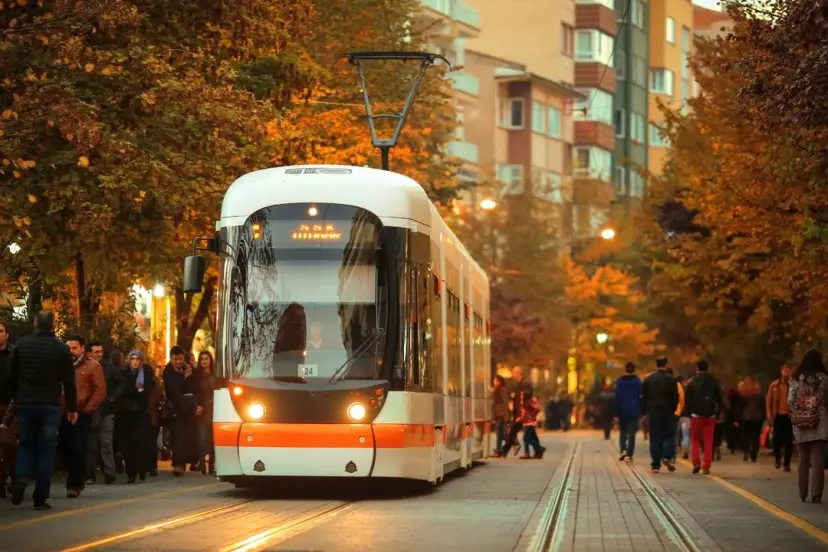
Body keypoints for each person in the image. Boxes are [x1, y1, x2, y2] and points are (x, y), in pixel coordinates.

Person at [6, 310, 77, 510]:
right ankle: (40, 496)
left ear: (35, 325)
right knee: (46, 448)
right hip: (50, 404)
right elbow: (69, 381)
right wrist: (72, 408)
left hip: (26, 402)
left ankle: (20, 478)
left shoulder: (22, 345)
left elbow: (11, 375)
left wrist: (16, 396)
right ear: (52, 326)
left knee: (27, 443)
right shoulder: (61, 349)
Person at [64, 334, 106, 498]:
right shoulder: (63, 365)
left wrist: (88, 408)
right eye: (68, 348)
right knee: (67, 447)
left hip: (82, 413)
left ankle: (74, 483)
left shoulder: (92, 366)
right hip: (64, 412)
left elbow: (100, 390)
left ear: (82, 349)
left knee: (78, 447)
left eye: (74, 348)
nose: (71, 351)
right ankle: (74, 476)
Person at [787, 349, 828, 503]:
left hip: (801, 422)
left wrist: (797, 411)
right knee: (818, 459)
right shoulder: (824, 379)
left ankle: (802, 493)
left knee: (803, 458)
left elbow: (790, 401)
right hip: (820, 423)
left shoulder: (796, 378)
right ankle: (816, 494)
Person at [121, 351, 156, 483]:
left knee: (141, 442)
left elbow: (146, 390)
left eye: (137, 359)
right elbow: (125, 389)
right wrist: (136, 391)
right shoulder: (124, 373)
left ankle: (141, 469)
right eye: (133, 359)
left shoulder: (146, 372)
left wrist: (135, 391)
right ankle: (131, 472)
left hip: (141, 412)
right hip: (127, 413)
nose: (135, 362)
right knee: (129, 444)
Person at [641, 356, 679, 473]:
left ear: (656, 364)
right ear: (666, 364)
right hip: (667, 411)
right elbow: (675, 397)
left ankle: (655, 464)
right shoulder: (671, 380)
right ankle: (666, 456)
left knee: (655, 437)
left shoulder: (649, 379)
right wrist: (672, 410)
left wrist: (644, 411)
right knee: (668, 436)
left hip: (653, 411)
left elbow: (643, 396)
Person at [684, 360, 723, 474]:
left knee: (695, 439)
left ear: (697, 368)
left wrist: (689, 412)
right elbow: (719, 399)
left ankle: (696, 462)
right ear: (707, 368)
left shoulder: (692, 382)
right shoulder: (714, 382)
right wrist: (717, 413)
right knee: (708, 441)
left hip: (696, 416)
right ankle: (706, 466)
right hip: (710, 415)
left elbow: (688, 399)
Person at [766, 364, 794, 471]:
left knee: (789, 440)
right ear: (781, 371)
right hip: (777, 415)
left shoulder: (793, 386)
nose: (787, 373)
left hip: (789, 416)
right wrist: (769, 413)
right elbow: (769, 400)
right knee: (776, 439)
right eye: (785, 371)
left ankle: (787, 463)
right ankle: (777, 458)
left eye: (789, 371)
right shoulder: (774, 385)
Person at [614, 362, 642, 462]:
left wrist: (616, 412)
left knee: (623, 431)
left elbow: (617, 397)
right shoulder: (638, 381)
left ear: (625, 369)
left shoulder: (620, 382)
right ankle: (630, 453)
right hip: (634, 410)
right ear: (634, 369)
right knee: (631, 433)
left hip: (622, 410)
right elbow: (641, 396)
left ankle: (623, 450)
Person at [0, 320, 15, 496]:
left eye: (1, 331)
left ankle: (14, 479)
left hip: (11, 405)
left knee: (11, 445)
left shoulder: (14, 353)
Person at [490, 375, 509, 457]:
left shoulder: (501, 390)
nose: (493, 382)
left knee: (499, 431)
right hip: (499, 414)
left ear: (499, 381)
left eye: (495, 380)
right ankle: (501, 449)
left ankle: (499, 449)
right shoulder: (497, 390)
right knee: (501, 432)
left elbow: (504, 403)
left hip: (501, 414)